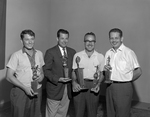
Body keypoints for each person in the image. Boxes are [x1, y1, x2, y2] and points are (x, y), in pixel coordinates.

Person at [6, 29, 45, 117]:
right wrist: (25, 88)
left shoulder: (39, 53)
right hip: (21, 91)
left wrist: (42, 77)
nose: (30, 42)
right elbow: (9, 76)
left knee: (35, 114)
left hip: (37, 88)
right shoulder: (16, 55)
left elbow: (42, 72)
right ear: (21, 41)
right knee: (20, 114)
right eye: (27, 39)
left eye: (32, 39)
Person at [104, 28, 142, 117]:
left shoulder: (128, 52)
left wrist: (126, 80)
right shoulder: (108, 53)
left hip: (123, 88)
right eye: (111, 38)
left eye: (116, 38)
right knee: (110, 113)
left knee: (122, 114)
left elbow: (139, 71)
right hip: (109, 87)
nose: (114, 40)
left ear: (121, 39)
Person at [43, 29, 76, 117]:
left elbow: (74, 69)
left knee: (62, 113)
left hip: (67, 89)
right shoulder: (50, 52)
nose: (65, 41)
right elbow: (46, 70)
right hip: (55, 88)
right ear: (57, 39)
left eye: (66, 38)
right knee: (51, 114)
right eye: (62, 38)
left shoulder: (72, 52)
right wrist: (58, 79)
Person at [72, 32, 104, 117]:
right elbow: (73, 71)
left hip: (93, 86)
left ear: (95, 42)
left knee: (92, 113)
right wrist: (74, 83)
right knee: (78, 113)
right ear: (84, 42)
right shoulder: (77, 55)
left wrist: (99, 84)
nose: (90, 43)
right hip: (79, 86)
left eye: (92, 41)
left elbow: (102, 73)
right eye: (87, 41)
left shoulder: (100, 56)